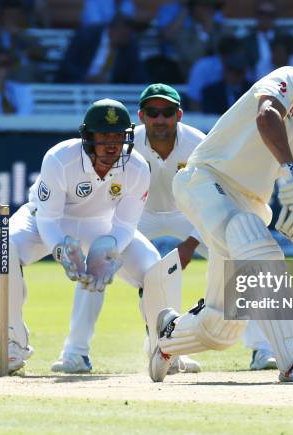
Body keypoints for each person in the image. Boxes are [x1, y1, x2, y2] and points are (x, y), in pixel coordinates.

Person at [148, 41, 293, 383]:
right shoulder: (291, 80)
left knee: (223, 328)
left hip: (250, 204)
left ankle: (169, 335)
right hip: (205, 179)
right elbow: (267, 116)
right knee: (261, 246)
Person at [0, 98, 181, 373]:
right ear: (87, 136)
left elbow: (125, 225)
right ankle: (11, 342)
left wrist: (107, 247)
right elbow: (48, 219)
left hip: (102, 225)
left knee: (156, 268)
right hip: (45, 222)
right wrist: (62, 250)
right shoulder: (60, 159)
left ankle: (164, 348)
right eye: (103, 135)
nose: (112, 144)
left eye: (118, 136)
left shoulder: (137, 168)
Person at [55, 84, 204, 374]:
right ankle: (75, 352)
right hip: (137, 215)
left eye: (167, 112)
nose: (160, 119)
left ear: (179, 115)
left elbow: (213, 197)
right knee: (97, 263)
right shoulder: (124, 143)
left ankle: (260, 348)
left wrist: (192, 242)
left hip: (188, 214)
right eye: (152, 112)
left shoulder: (199, 144)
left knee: (234, 252)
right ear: (141, 116)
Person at [55, 13, 147, 84]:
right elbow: (68, 65)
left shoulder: (130, 46)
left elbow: (137, 74)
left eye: (129, 35)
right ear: (112, 29)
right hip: (78, 84)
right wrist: (86, 78)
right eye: (124, 35)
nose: (127, 39)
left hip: (110, 91)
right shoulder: (86, 36)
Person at [0, 0, 47, 83]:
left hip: (26, 78)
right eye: (8, 16)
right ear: (1, 17)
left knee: (26, 69)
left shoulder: (29, 36)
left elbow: (42, 54)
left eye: (15, 16)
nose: (12, 19)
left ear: (21, 18)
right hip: (0, 75)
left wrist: (20, 35)